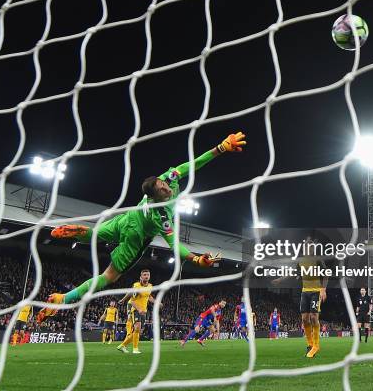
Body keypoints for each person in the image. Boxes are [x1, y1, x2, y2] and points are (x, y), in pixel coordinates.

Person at [36, 133, 246, 323]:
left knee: (95, 235)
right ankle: (64, 299)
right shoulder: (160, 215)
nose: (167, 189)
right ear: (154, 198)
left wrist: (220, 148)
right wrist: (196, 259)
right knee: (109, 276)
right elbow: (174, 244)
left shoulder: (168, 178)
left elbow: (193, 165)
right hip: (135, 236)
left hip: (127, 218)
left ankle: (84, 233)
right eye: (162, 191)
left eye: (164, 185)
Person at [116, 269, 160, 354]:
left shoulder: (150, 286)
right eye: (144, 275)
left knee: (138, 330)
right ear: (141, 277)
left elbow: (149, 296)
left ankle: (122, 345)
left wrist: (156, 302)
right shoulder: (137, 286)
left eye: (148, 275)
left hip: (144, 311)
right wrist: (138, 308)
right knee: (136, 328)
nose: (146, 276)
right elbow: (132, 300)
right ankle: (135, 349)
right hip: (135, 309)